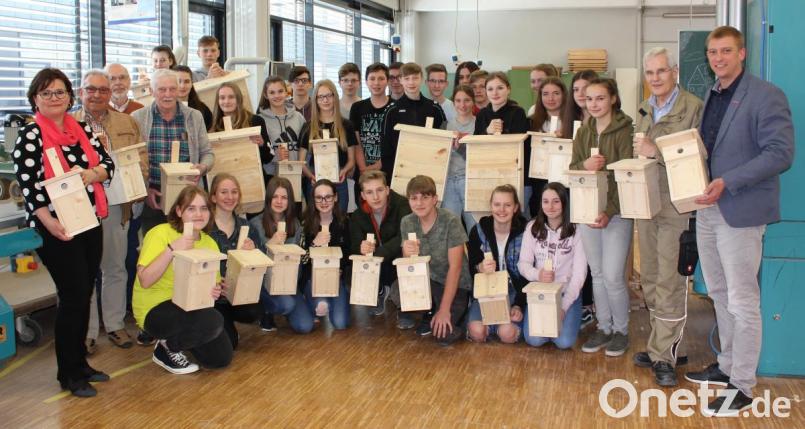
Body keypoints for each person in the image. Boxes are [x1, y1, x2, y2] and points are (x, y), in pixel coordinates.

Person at [683, 26, 794, 417]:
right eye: (713, 52)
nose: (718, 58)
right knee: (718, 293)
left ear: (742, 54)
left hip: (741, 210)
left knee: (744, 301)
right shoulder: (712, 96)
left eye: (726, 51)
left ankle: (743, 385)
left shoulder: (766, 95)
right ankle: (727, 365)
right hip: (708, 207)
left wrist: (728, 181)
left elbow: (781, 154)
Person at [14, 68, 114, 397]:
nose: (54, 98)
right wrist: (50, 222)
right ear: (35, 100)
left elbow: (108, 165)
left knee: (84, 293)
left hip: (88, 221)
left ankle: (80, 363)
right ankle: (68, 373)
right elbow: (30, 190)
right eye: (46, 94)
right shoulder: (31, 137)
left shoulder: (81, 128)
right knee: (71, 297)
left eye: (60, 92)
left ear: (70, 96)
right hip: (55, 228)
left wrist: (92, 174)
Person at [631, 47, 703, 387]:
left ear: (674, 71)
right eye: (650, 73)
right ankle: (671, 345)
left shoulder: (693, 107)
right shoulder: (645, 109)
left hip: (676, 205)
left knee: (670, 281)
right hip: (647, 203)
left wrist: (654, 151)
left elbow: (697, 155)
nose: (655, 78)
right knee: (649, 278)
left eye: (661, 71)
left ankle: (663, 356)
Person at [72, 69, 143, 353]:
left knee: (114, 267)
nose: (97, 95)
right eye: (91, 89)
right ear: (81, 92)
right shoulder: (67, 125)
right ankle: (86, 331)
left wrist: (138, 189)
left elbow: (141, 157)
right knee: (84, 271)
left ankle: (114, 324)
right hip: (80, 206)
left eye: (103, 89)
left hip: (116, 204)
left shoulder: (127, 122)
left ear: (110, 92)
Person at [133, 186, 232, 375]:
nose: (198, 214)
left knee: (220, 359)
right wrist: (172, 249)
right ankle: (168, 347)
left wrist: (215, 291)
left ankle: (180, 340)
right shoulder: (160, 233)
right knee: (213, 320)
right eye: (191, 208)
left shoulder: (209, 243)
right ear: (179, 211)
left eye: (204, 208)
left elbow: (210, 286)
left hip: (189, 308)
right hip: (155, 308)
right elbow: (145, 280)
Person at [568, 78, 634, 358]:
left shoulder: (625, 130)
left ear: (613, 99)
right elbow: (572, 168)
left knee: (613, 275)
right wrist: (585, 165)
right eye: (589, 99)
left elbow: (627, 176)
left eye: (600, 98)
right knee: (596, 273)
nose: (594, 104)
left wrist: (609, 211)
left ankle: (621, 331)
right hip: (587, 211)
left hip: (616, 213)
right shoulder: (583, 131)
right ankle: (604, 327)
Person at [132, 69, 214, 235]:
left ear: (178, 90)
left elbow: (208, 153)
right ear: (152, 91)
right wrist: (145, 190)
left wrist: (202, 167)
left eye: (172, 89)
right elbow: (133, 163)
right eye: (162, 89)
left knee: (190, 249)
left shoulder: (194, 117)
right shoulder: (137, 118)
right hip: (153, 199)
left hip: (188, 198)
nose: (168, 94)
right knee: (156, 251)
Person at [395, 175, 471, 346]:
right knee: (396, 291)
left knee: (444, 336)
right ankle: (429, 313)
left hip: (455, 284)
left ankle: (456, 313)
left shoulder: (450, 221)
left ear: (435, 199)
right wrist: (406, 254)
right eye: (414, 198)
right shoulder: (407, 222)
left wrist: (445, 310)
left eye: (425, 197)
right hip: (429, 280)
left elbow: (456, 268)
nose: (419, 203)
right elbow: (409, 266)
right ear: (408, 201)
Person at [518, 183, 587, 349]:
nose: (550, 206)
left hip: (566, 294)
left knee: (564, 343)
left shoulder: (577, 230)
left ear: (564, 203)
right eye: (546, 201)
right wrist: (537, 275)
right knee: (534, 340)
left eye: (556, 201)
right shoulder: (532, 228)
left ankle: (578, 314)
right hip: (541, 294)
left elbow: (579, 274)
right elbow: (523, 264)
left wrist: (563, 307)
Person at [249, 177, 313, 333]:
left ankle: (284, 307)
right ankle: (266, 310)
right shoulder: (255, 224)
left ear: (289, 201)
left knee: (305, 326)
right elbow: (252, 265)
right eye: (275, 197)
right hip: (264, 284)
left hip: (288, 284)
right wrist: (271, 244)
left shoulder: (295, 224)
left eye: (284, 197)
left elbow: (300, 263)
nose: (279, 201)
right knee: (287, 305)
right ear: (268, 198)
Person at [207, 174, 263, 349]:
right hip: (212, 298)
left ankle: (227, 319)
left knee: (255, 311)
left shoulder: (247, 227)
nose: (230, 197)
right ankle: (221, 321)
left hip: (237, 295)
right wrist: (214, 282)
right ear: (213, 197)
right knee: (230, 344)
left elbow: (261, 267)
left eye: (234, 192)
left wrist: (253, 253)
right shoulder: (205, 228)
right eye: (224, 192)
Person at [467, 185, 528, 344]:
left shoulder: (526, 232)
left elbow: (528, 275)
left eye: (507, 205)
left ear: (515, 208)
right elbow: (472, 267)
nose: (502, 210)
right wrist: (480, 268)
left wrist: (519, 305)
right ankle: (491, 325)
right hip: (487, 291)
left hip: (516, 292)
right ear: (491, 206)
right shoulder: (478, 231)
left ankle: (501, 326)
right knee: (476, 332)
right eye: (497, 204)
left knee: (507, 334)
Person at [349, 170, 411, 316]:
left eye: (380, 190)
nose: (376, 197)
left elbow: (404, 237)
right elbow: (353, 248)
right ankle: (381, 290)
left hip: (399, 260)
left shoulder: (403, 206)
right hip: (379, 264)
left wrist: (379, 253)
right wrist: (361, 248)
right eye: (369, 192)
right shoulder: (357, 216)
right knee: (354, 269)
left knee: (410, 252)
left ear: (387, 190)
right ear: (363, 195)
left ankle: (404, 310)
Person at [473, 72, 531, 215]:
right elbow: (475, 147)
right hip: (489, 173)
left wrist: (501, 133)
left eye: (500, 88)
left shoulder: (517, 112)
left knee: (517, 216)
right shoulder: (482, 115)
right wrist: (487, 131)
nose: (495, 93)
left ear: (508, 89)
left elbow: (520, 146)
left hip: (515, 174)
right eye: (490, 89)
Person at [380, 62, 446, 182]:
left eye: (415, 78)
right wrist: (390, 179)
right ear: (401, 80)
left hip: (429, 172)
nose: (411, 82)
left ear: (421, 79)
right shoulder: (392, 110)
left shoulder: (434, 108)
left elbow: (443, 143)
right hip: (400, 173)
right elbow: (386, 149)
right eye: (407, 78)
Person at [298, 80, 358, 213]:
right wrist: (310, 176)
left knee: (340, 221)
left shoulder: (346, 125)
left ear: (335, 97)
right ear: (315, 100)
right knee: (315, 223)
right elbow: (301, 162)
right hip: (315, 181)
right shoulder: (308, 127)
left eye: (329, 95)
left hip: (339, 179)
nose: (325, 100)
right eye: (321, 96)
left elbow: (351, 160)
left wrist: (344, 171)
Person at [299, 179, 351, 329]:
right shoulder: (305, 223)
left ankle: (338, 299)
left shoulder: (344, 222)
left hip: (336, 278)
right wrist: (314, 244)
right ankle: (313, 301)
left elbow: (348, 254)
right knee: (321, 307)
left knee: (340, 323)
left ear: (335, 197)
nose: (324, 201)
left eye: (328, 197)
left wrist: (340, 268)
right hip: (313, 278)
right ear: (313, 199)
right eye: (319, 197)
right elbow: (300, 260)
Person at [209, 82, 273, 185]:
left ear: (238, 99)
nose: (226, 101)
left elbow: (268, 157)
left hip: (253, 182)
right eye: (222, 98)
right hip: (223, 185)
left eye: (231, 97)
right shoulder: (211, 126)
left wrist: (262, 144)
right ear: (218, 101)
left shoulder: (255, 121)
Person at [350, 63, 391, 197]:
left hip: (387, 172)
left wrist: (377, 166)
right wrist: (363, 168)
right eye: (372, 78)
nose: (376, 83)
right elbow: (356, 141)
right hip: (363, 172)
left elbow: (396, 144)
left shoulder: (395, 108)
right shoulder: (357, 107)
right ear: (366, 82)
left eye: (381, 78)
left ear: (387, 81)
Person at [257, 76, 307, 183]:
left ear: (286, 92)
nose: (277, 96)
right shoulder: (259, 120)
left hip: (297, 176)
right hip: (271, 178)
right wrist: (275, 156)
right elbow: (258, 153)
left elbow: (305, 147)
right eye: (272, 92)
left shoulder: (298, 117)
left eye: (280, 91)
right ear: (266, 95)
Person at [442, 84, 476, 231]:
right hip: (449, 182)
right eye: (458, 100)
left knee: (475, 228)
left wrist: (461, 147)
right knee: (451, 229)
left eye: (467, 100)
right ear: (453, 102)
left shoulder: (479, 124)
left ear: (473, 101)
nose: (462, 105)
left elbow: (479, 159)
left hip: (471, 181)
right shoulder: (446, 125)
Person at [560, 69, 598, 140]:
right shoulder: (569, 117)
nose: (580, 94)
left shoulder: (602, 120)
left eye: (585, 89)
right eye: (576, 90)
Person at [173, 65, 213, 129]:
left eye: (187, 81)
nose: (182, 86)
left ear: (192, 83)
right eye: (178, 81)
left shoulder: (203, 110)